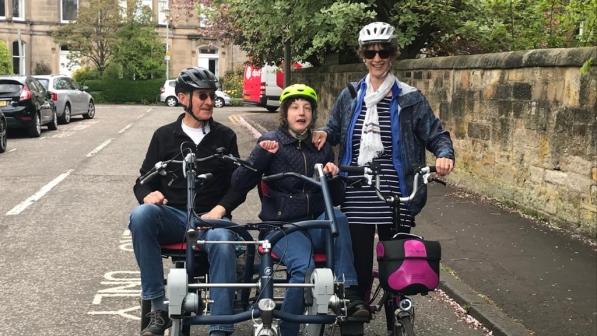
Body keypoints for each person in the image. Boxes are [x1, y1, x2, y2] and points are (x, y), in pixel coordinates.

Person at [312, 22, 455, 303]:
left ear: (393, 54)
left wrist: (444, 155)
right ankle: (358, 313)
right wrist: (323, 135)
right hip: (358, 191)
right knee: (360, 268)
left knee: (398, 267)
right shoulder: (351, 96)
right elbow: (334, 129)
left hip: (397, 195)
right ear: (363, 55)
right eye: (370, 52)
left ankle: (396, 320)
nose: (377, 58)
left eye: (383, 51)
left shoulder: (409, 98)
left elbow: (436, 134)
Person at [232, 84, 369, 336]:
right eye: (294, 107)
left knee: (337, 216)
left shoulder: (321, 146)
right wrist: (260, 157)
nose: (301, 112)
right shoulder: (270, 141)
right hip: (282, 228)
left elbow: (337, 198)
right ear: (285, 113)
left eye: (306, 107)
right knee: (303, 270)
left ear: (313, 114)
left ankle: (349, 291)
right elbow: (239, 182)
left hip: (316, 222)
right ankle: (289, 330)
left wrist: (333, 176)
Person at [129, 67, 244, 336]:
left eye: (212, 96)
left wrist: (220, 209)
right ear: (183, 98)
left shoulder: (225, 136)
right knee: (141, 215)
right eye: (202, 96)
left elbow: (238, 185)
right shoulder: (163, 136)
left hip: (212, 219)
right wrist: (147, 195)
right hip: (175, 216)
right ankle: (158, 308)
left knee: (224, 242)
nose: (209, 102)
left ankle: (220, 328)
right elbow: (143, 180)